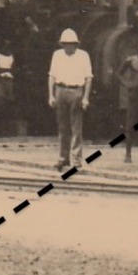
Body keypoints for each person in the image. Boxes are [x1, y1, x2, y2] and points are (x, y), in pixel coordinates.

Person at [47, 28, 93, 169]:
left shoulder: (83, 56)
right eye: (66, 43)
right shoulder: (57, 55)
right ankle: (63, 158)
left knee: (76, 127)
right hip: (60, 89)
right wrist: (51, 95)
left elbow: (88, 77)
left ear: (75, 44)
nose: (69, 46)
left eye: (71, 43)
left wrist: (85, 97)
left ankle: (77, 160)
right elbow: (52, 76)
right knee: (62, 127)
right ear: (62, 44)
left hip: (76, 90)